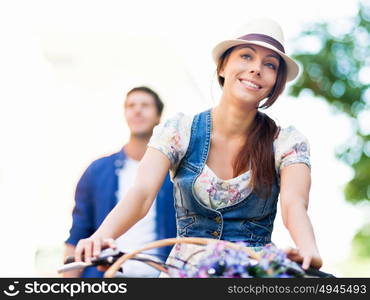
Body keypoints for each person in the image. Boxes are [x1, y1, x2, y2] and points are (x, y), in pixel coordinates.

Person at [73, 18, 323, 276]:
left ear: (276, 82)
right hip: (187, 272)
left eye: (269, 64)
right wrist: (101, 236)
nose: (256, 69)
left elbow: (295, 204)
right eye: (246, 56)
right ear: (223, 66)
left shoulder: (287, 142)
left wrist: (307, 249)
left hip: (251, 273)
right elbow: (142, 192)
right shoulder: (178, 131)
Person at [64, 86, 177, 277]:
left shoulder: (175, 173)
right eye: (131, 105)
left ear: (159, 116)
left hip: (160, 275)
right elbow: (78, 233)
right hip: (106, 276)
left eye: (145, 105)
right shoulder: (97, 171)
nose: (137, 110)